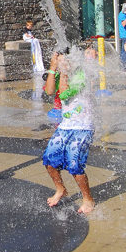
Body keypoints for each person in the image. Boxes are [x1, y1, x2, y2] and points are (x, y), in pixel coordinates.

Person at [42, 50, 96, 214]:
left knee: (74, 164)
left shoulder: (80, 73)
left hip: (83, 127)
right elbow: (49, 91)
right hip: (65, 126)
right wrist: (52, 68)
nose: (60, 64)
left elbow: (64, 93)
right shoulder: (60, 74)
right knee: (49, 160)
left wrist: (63, 70)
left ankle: (88, 199)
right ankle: (61, 189)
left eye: (61, 61)